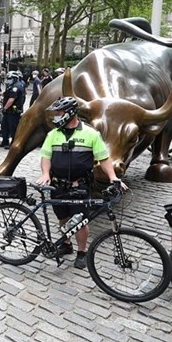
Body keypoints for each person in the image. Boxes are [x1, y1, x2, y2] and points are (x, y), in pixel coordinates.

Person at [36, 97, 123, 270]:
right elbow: (45, 156)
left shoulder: (90, 134)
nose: (55, 117)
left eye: (59, 113)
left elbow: (104, 158)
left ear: (70, 113)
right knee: (63, 217)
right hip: (58, 185)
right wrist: (45, 173)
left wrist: (113, 177)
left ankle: (81, 252)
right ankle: (66, 245)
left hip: (80, 186)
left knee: (81, 221)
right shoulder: (53, 134)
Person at [0, 71, 24, 148]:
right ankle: (5, 141)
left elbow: (11, 99)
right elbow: (8, 93)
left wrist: (5, 107)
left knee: (13, 128)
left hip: (13, 111)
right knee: (4, 126)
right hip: (8, 111)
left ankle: (13, 144)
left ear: (15, 78)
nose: (8, 80)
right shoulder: (12, 85)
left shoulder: (16, 87)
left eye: (9, 78)